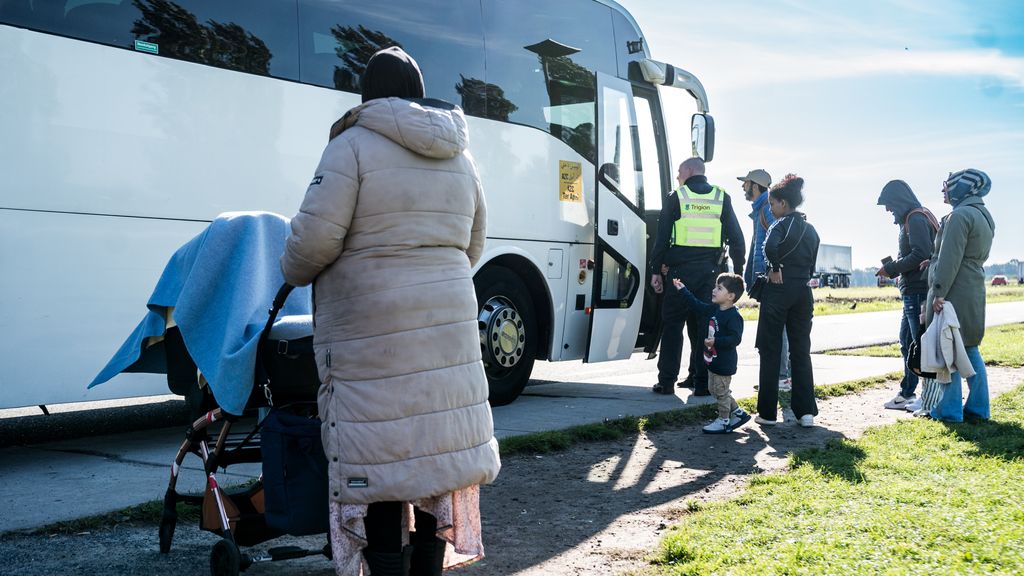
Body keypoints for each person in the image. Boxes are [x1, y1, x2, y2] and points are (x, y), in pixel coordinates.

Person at [280, 47, 500, 576]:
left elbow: (311, 246)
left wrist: (290, 265)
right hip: (445, 328)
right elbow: (473, 245)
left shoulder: (350, 147)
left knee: (379, 459)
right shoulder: (461, 155)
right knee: (434, 459)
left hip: (372, 330)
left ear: (367, 93)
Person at [650, 157, 745, 397]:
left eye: (680, 172)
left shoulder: (677, 197)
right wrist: (738, 272)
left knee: (673, 326)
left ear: (690, 171)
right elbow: (737, 238)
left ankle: (667, 382)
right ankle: (702, 383)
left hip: (679, 273)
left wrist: (655, 270)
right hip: (710, 273)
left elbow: (662, 237)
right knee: (705, 327)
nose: (678, 176)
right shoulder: (721, 197)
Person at [926, 169, 994, 423]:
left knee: (948, 351)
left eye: (948, 186)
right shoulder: (983, 215)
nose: (944, 190)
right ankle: (979, 409)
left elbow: (950, 257)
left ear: (960, 189)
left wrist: (939, 291)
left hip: (954, 290)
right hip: (973, 286)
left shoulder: (959, 215)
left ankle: (950, 410)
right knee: (969, 348)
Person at [754, 174, 820, 428]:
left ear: (783, 203)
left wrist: (774, 267)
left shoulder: (779, 225)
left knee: (770, 349)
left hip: (778, 291)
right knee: (801, 351)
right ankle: (806, 413)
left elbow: (769, 247)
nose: (770, 209)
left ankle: (768, 413)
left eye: (772, 204)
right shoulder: (811, 229)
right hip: (803, 292)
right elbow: (812, 263)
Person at [876, 180, 939, 411]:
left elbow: (920, 253)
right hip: (912, 291)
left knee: (920, 344)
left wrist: (891, 268)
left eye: (889, 204)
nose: (887, 209)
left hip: (918, 291)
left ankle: (927, 395)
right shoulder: (916, 217)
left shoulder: (915, 218)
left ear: (899, 201)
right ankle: (907, 392)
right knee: (907, 343)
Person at [672, 274, 751, 433]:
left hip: (724, 362)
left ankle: (723, 421)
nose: (714, 290)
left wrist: (716, 341)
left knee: (721, 392)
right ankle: (738, 413)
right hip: (713, 361)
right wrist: (683, 290)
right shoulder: (714, 309)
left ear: (730, 296)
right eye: (715, 286)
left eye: (719, 288)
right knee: (716, 390)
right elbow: (697, 306)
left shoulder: (734, 316)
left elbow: (735, 339)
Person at [739, 168, 791, 392]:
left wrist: (772, 270)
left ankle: (780, 377)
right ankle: (781, 376)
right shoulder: (761, 209)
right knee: (776, 328)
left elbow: (777, 241)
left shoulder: (767, 209)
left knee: (776, 329)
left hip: (772, 279)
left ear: (755, 185)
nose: (743, 187)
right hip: (769, 277)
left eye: (746, 183)